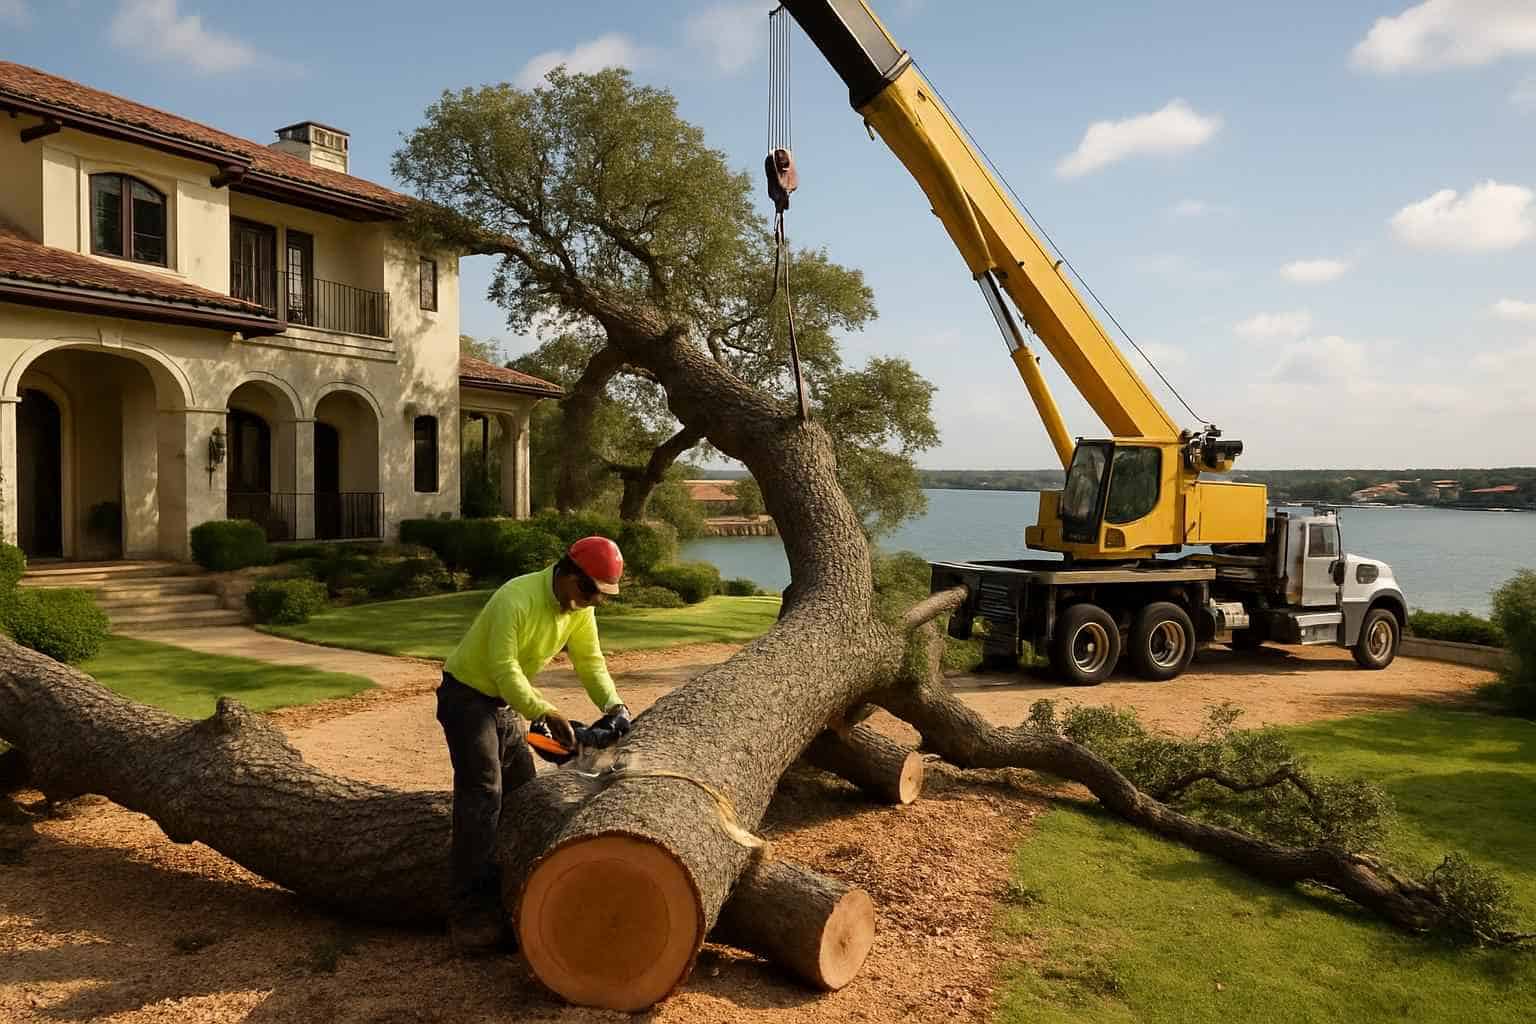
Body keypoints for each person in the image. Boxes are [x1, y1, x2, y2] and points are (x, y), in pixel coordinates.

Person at [436, 535, 632, 951]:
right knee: (484, 794)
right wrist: (544, 711)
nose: (592, 600)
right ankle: (467, 910)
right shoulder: (517, 597)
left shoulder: (577, 609)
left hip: (504, 705)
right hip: (467, 698)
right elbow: (503, 667)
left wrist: (615, 706)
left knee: (525, 793)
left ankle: (516, 887)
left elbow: (590, 661)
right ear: (567, 572)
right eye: (589, 590)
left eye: (600, 596)